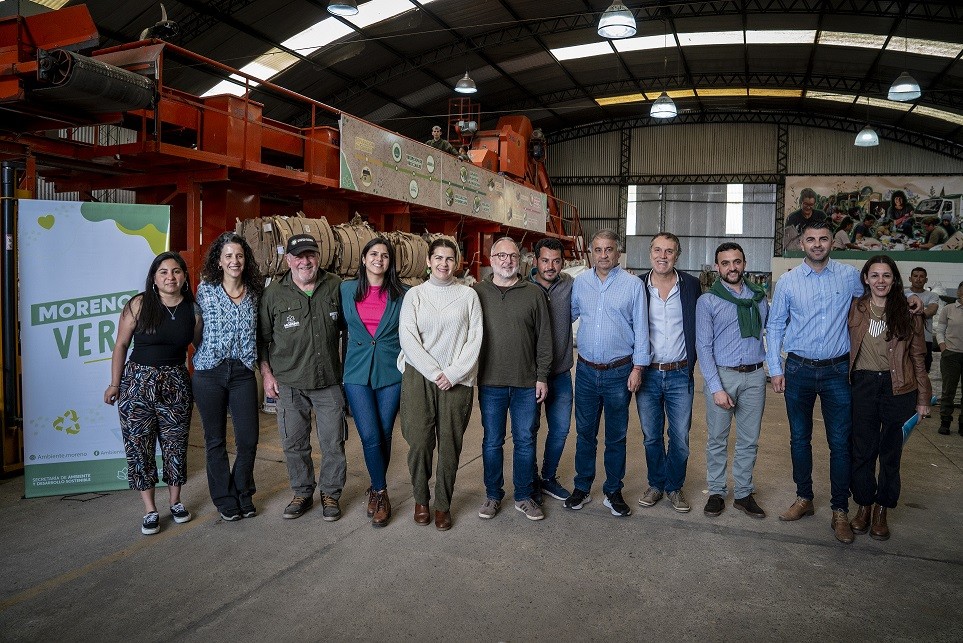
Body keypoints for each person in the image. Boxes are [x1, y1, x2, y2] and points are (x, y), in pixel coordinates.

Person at [766, 220, 866, 544]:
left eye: (823, 238)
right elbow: (776, 325)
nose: (818, 244)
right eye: (811, 239)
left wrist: (909, 304)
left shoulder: (849, 277)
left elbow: (876, 301)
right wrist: (775, 369)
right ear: (802, 243)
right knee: (799, 439)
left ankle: (840, 511)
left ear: (831, 243)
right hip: (798, 370)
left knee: (839, 443)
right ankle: (804, 498)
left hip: (838, 371)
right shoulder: (789, 282)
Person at [104, 252, 201, 535]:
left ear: (184, 276)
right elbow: (121, 345)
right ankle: (150, 509)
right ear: (154, 277)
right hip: (137, 383)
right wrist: (114, 384)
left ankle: (176, 502)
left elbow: (202, 349)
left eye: (176, 271)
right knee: (139, 446)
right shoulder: (139, 304)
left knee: (175, 445)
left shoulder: (193, 310)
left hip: (176, 384)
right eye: (163, 272)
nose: (170, 277)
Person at [259, 234, 346, 521]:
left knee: (333, 442)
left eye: (310, 255)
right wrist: (267, 374)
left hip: (329, 381)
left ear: (318, 257)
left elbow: (353, 330)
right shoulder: (274, 294)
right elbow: (262, 339)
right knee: (294, 443)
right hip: (290, 382)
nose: (305, 261)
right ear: (288, 260)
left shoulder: (335, 286)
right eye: (298, 256)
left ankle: (331, 494)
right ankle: (303, 491)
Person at [398, 238, 482, 531]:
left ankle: (442, 504)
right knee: (419, 441)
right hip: (420, 376)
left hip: (457, 380)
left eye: (449, 258)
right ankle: (421, 499)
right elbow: (407, 337)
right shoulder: (415, 295)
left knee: (450, 444)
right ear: (428, 262)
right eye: (438, 258)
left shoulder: (468, 296)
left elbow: (475, 338)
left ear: (456, 262)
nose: (443, 264)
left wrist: (455, 373)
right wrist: (435, 372)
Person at [565, 229, 649, 517]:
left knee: (616, 436)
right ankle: (582, 487)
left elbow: (642, 329)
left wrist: (638, 368)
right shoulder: (581, 283)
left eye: (609, 249)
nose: (603, 255)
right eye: (598, 249)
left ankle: (613, 491)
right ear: (591, 252)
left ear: (618, 253)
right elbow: (569, 314)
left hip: (619, 372)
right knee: (585, 434)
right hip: (586, 370)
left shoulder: (632, 285)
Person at [848, 256, 931, 541]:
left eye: (886, 275)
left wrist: (923, 398)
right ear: (866, 279)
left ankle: (883, 508)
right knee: (862, 451)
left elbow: (918, 357)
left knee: (891, 453)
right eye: (875, 275)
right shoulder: (855, 309)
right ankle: (864, 505)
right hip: (863, 385)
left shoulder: (908, 312)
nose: (880, 281)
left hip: (899, 389)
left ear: (894, 279)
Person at [474, 237, 552, 521]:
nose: (507, 261)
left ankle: (523, 496)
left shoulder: (533, 294)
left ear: (521, 260)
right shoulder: (477, 292)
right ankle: (493, 495)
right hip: (490, 382)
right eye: (501, 256)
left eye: (513, 256)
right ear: (491, 259)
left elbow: (544, 339)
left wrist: (541, 377)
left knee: (525, 441)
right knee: (492, 442)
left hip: (525, 383)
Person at [695, 242, 768, 519]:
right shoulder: (708, 301)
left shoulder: (759, 297)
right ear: (717, 267)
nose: (732, 267)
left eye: (736, 262)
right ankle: (716, 491)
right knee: (717, 438)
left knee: (749, 440)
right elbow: (704, 347)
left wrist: (772, 370)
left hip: (754, 376)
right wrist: (715, 388)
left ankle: (743, 493)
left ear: (744, 264)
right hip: (722, 375)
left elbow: (768, 333)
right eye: (725, 263)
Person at [193, 232, 262, 522]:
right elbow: (196, 329)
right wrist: (207, 353)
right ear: (219, 262)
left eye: (239, 256)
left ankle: (243, 491)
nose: (235, 261)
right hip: (209, 371)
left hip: (243, 372)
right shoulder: (205, 289)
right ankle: (225, 499)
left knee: (248, 439)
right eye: (229, 256)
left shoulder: (255, 293)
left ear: (245, 261)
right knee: (215, 440)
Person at [341, 237, 407, 528]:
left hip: (391, 371)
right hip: (356, 372)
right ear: (364, 259)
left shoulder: (403, 294)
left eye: (385, 255)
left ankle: (375, 487)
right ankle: (381, 492)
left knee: (384, 432)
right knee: (369, 434)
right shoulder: (345, 290)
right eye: (373, 254)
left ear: (390, 262)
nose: (379, 259)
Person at [636, 232, 701, 513]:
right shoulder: (637, 285)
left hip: (679, 373)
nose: (663, 256)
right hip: (647, 374)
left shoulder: (692, 285)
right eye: (658, 250)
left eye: (669, 251)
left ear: (678, 255)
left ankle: (674, 487)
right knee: (651, 436)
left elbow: (702, 326)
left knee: (680, 437)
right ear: (650, 253)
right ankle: (656, 484)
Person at [528, 238, 575, 502]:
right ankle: (530, 480)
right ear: (536, 261)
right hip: (530, 376)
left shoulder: (569, 285)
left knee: (560, 429)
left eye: (556, 261)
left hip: (560, 373)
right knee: (529, 430)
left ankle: (548, 477)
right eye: (545, 260)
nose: (550, 266)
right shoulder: (523, 287)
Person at [935, 281, 963, 435]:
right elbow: (940, 330)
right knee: (948, 390)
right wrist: (942, 346)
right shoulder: (948, 309)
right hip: (951, 355)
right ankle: (945, 421)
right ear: (959, 292)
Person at [904, 267, 940, 373]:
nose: (918, 279)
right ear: (910, 279)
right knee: (906, 371)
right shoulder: (903, 293)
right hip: (905, 338)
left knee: (923, 371)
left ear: (926, 280)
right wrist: (922, 311)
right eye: (915, 276)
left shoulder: (932, 295)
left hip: (925, 339)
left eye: (921, 277)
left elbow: (932, 310)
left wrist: (910, 313)